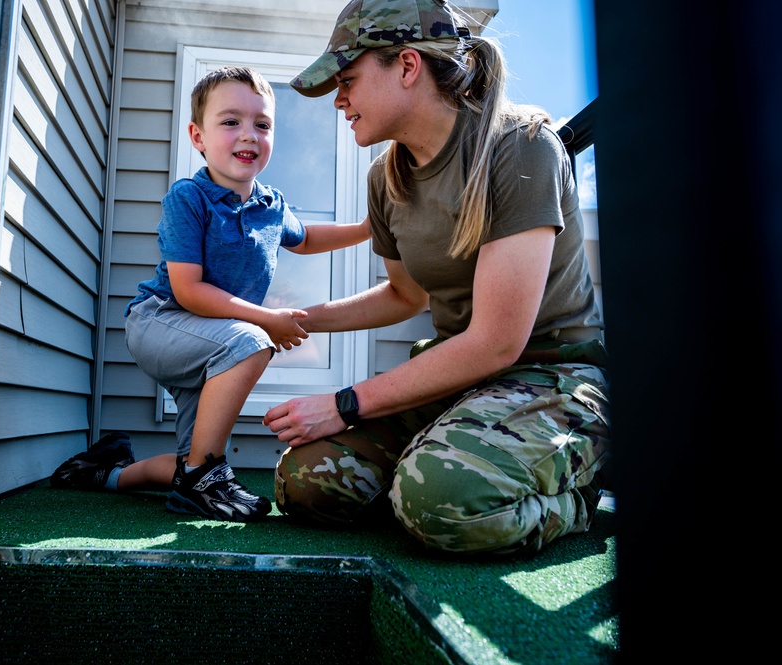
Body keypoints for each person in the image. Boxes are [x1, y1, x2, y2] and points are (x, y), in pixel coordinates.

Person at [263, 0, 610, 556]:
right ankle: (425, 482)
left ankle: (578, 497)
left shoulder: (521, 147)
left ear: (406, 65)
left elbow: (498, 342)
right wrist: (292, 321)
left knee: (444, 502)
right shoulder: (387, 177)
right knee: (307, 482)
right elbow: (405, 296)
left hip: (553, 378)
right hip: (459, 378)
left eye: (348, 79)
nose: (339, 100)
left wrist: (346, 403)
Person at [77, 65, 370, 522]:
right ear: (198, 136)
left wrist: (368, 229)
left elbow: (307, 238)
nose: (249, 135)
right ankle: (202, 479)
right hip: (159, 321)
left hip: (212, 339)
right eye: (231, 122)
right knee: (251, 341)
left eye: (262, 124)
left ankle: (101, 472)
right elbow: (188, 291)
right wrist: (266, 319)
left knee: (195, 456)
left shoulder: (271, 206)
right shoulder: (188, 198)